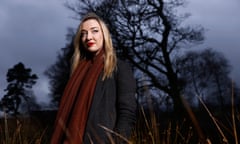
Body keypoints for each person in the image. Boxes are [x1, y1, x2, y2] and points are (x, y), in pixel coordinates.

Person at [50, 12, 137, 144]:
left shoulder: (119, 67)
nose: (88, 37)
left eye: (94, 31)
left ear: (104, 35)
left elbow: (127, 112)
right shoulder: (76, 72)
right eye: (84, 33)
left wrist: (117, 142)